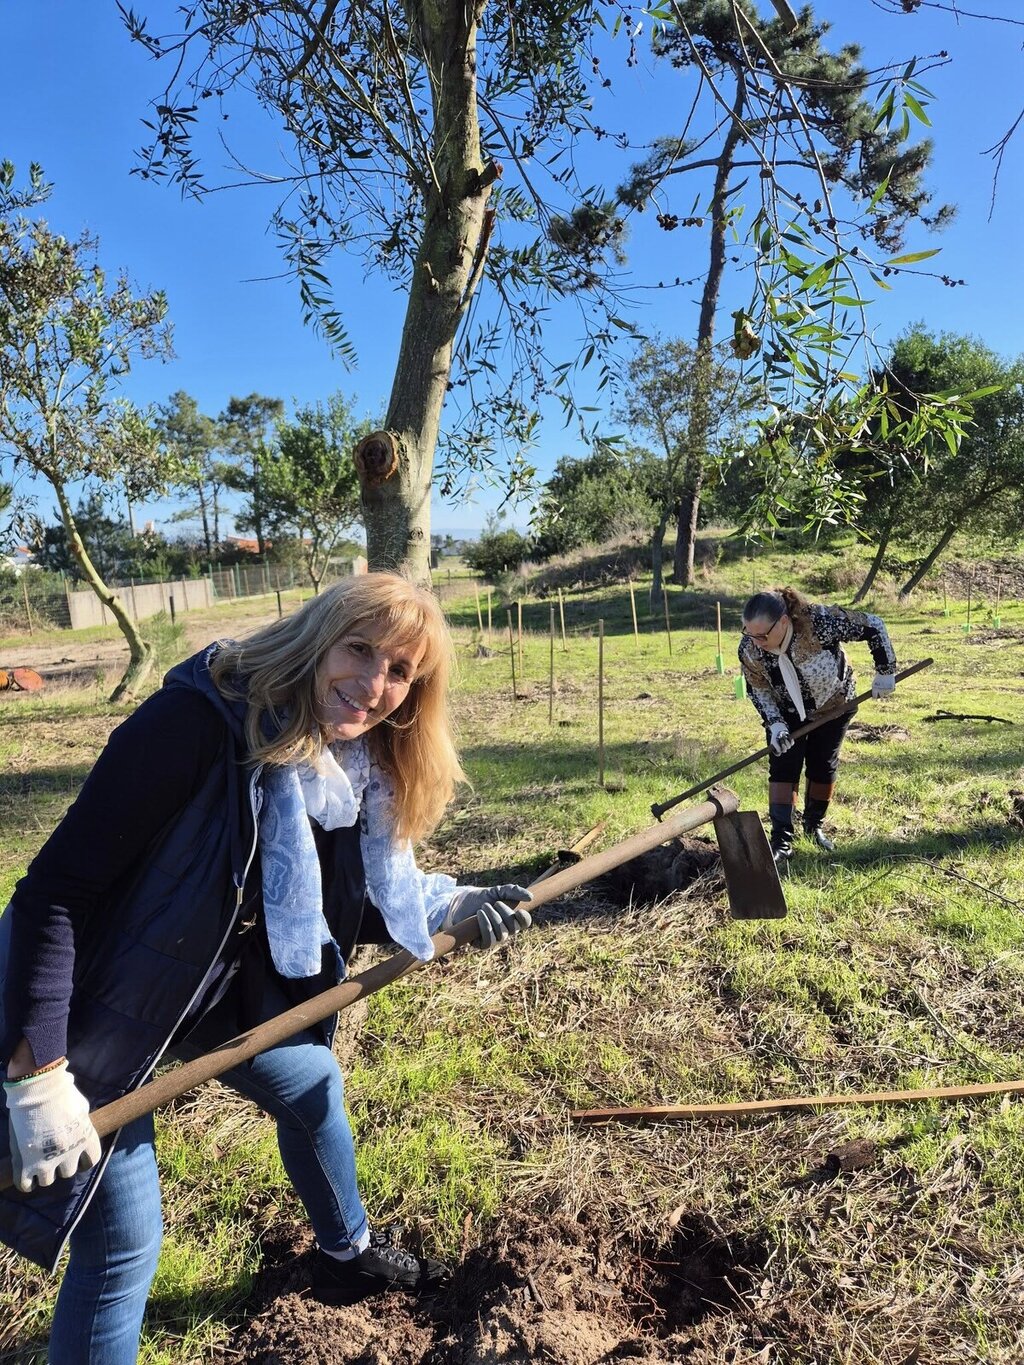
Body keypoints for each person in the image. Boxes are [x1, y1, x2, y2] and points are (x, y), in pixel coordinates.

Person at [0, 572, 532, 1363]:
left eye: (399, 670)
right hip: (93, 1001)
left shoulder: (347, 766)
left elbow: (343, 894)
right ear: (316, 637)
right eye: (360, 649)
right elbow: (54, 894)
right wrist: (38, 1072)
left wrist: (450, 905)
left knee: (311, 1084)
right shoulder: (195, 723)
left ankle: (346, 1252)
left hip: (199, 990)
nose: (373, 684)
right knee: (122, 1242)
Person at [737, 586, 897, 869]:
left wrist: (885, 671)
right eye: (750, 634)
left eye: (762, 635)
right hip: (786, 712)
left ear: (783, 621)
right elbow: (757, 688)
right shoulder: (750, 649)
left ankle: (814, 827)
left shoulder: (819, 622)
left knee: (823, 764)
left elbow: (874, 625)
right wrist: (775, 724)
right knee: (783, 765)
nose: (757, 642)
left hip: (833, 704)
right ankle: (782, 841)